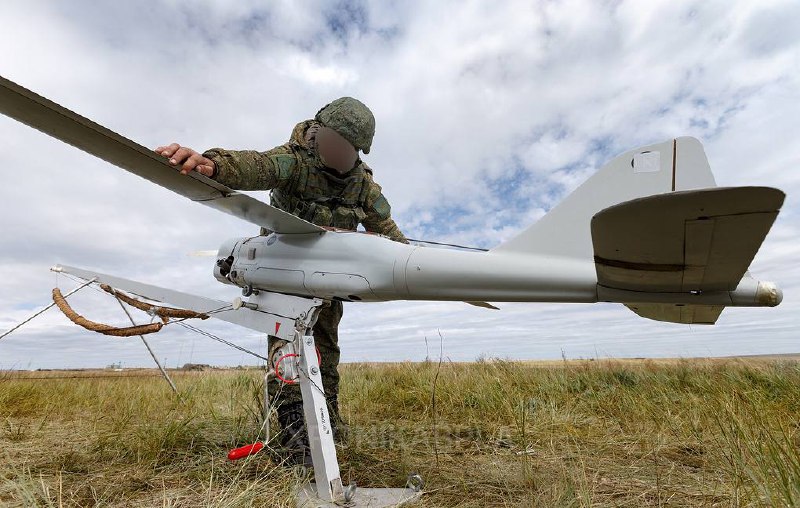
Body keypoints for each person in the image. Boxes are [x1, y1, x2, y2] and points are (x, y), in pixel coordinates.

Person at [155, 97, 407, 465]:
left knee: (327, 354)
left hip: (325, 283)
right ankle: (295, 435)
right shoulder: (295, 160)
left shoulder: (364, 187)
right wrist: (212, 165)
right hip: (284, 280)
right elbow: (256, 166)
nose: (337, 152)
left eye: (346, 148)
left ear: (357, 151)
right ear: (319, 134)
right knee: (287, 354)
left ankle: (327, 421)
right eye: (331, 141)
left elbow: (393, 237)